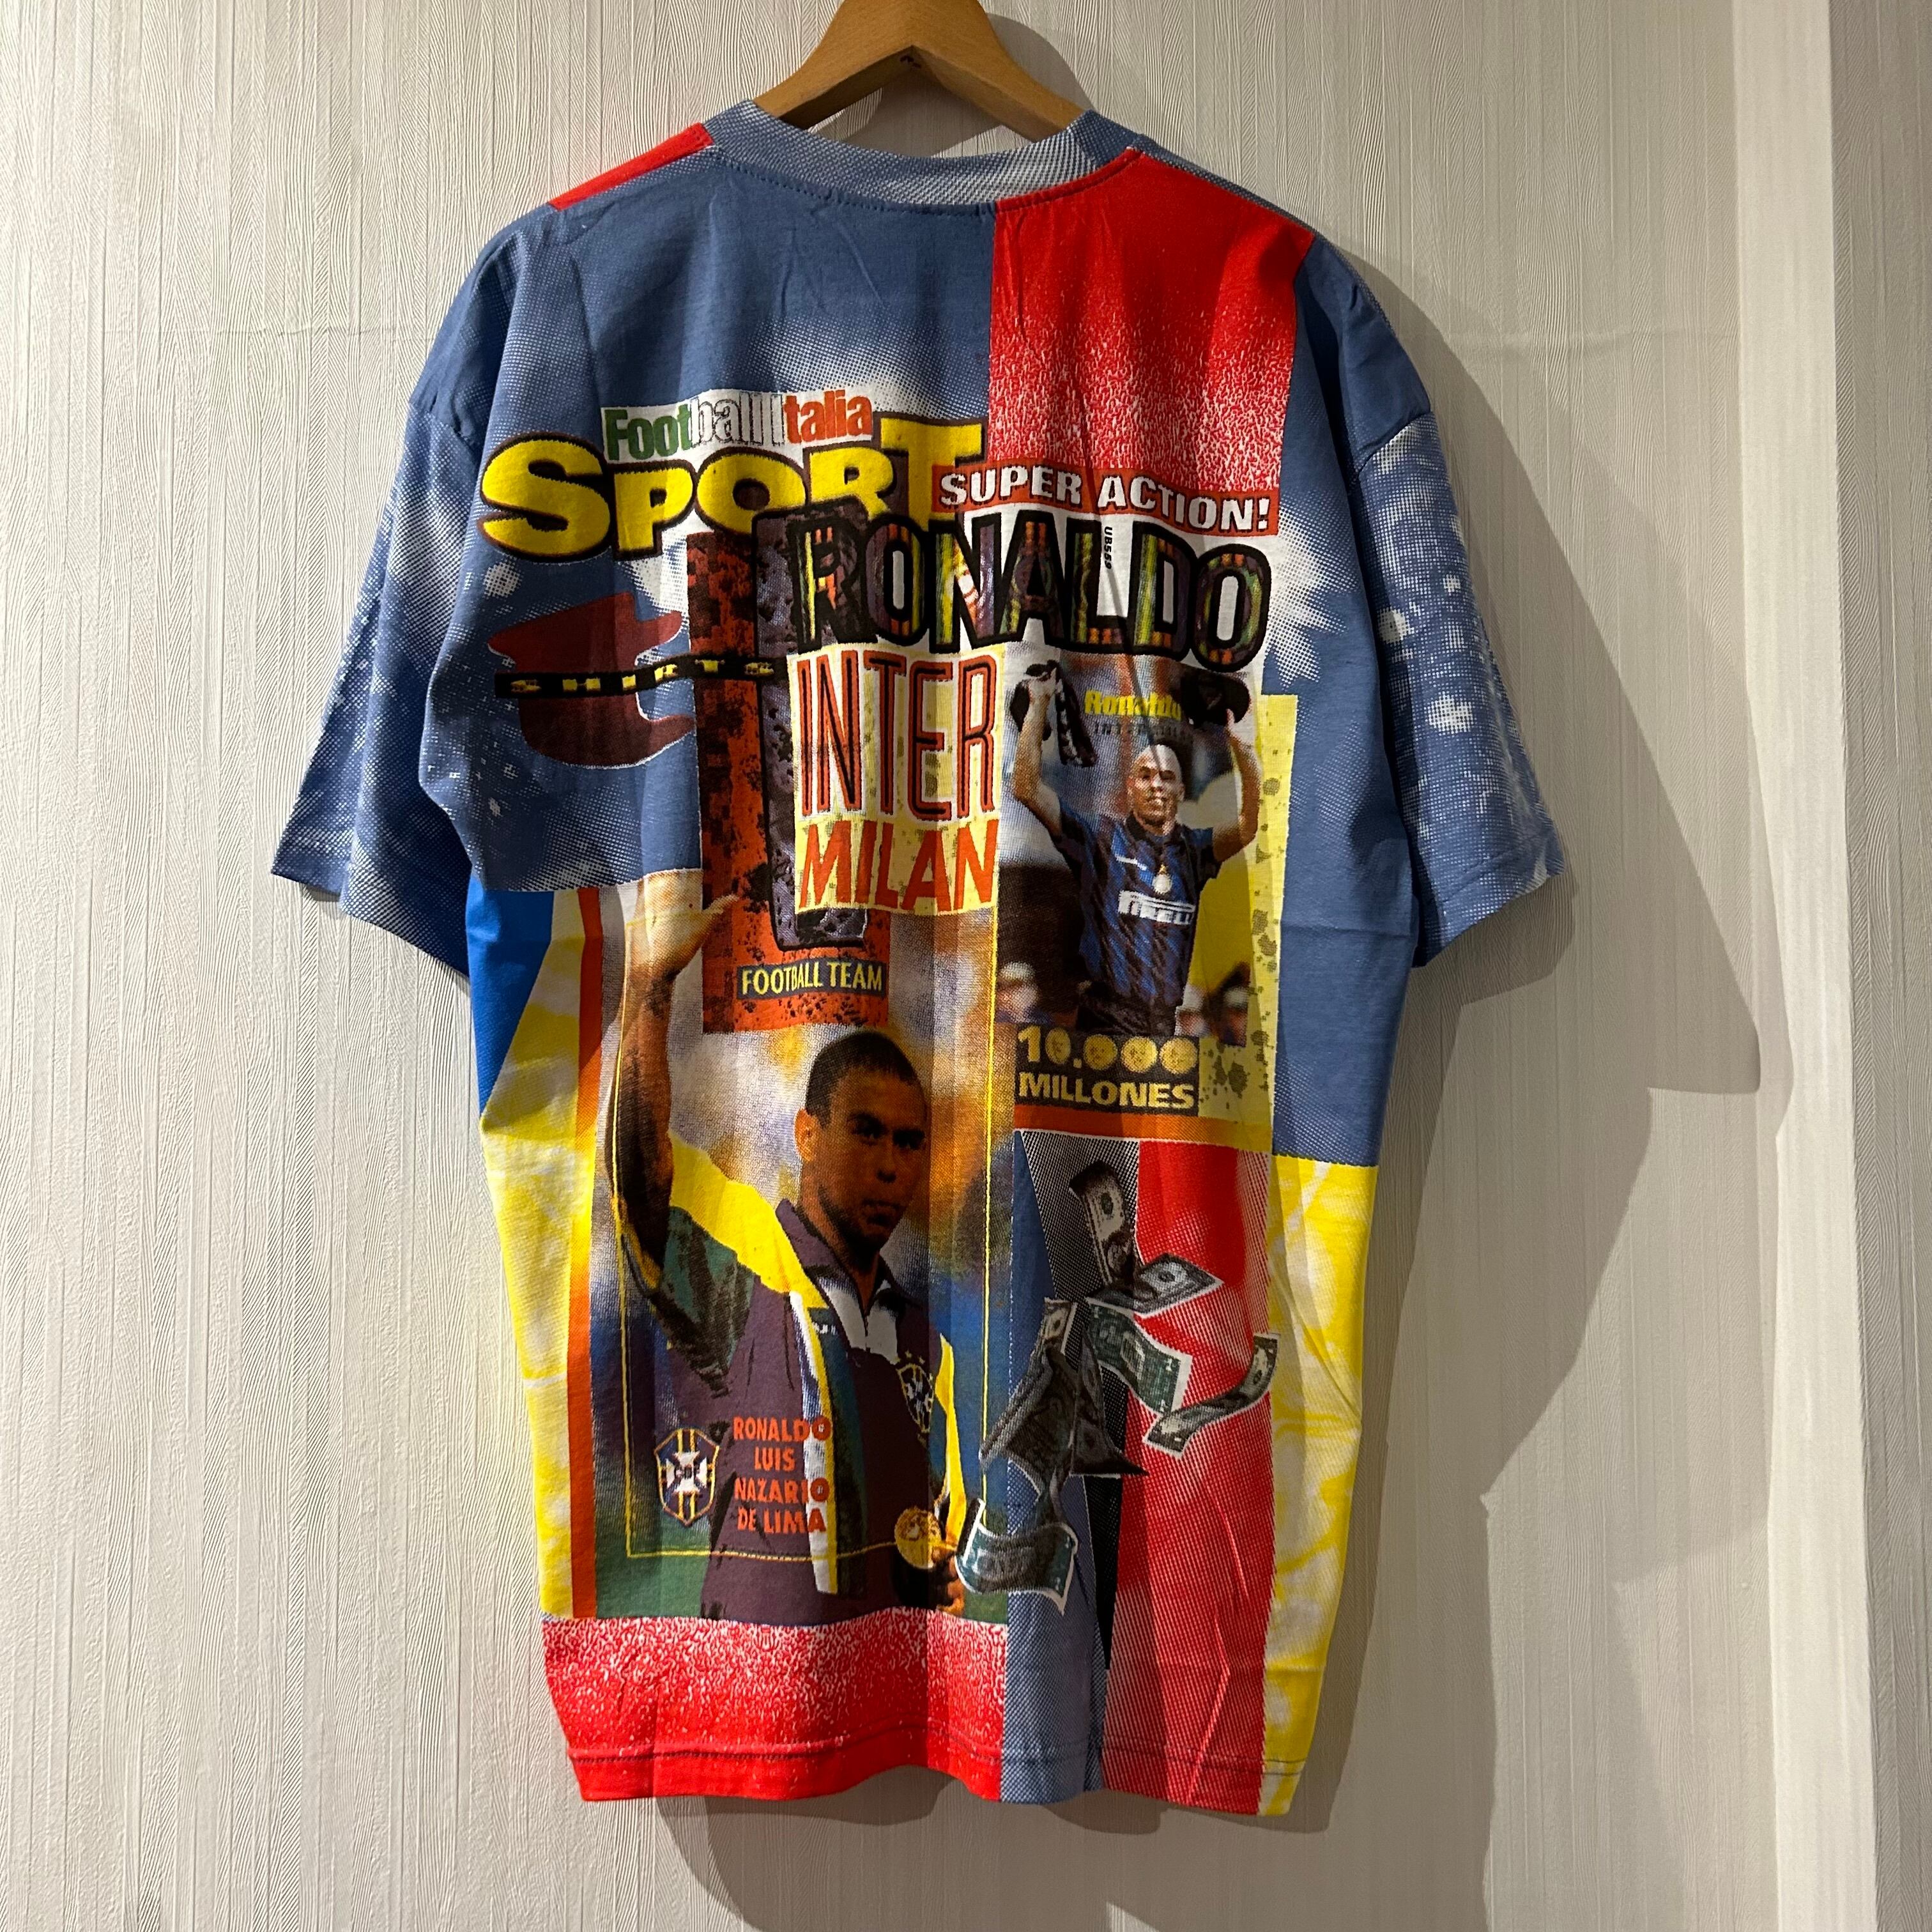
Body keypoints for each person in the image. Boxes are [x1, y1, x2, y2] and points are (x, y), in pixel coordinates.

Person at [604, 875, 965, 1625]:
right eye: (865, 1132)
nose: (890, 1165)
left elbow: (939, 1546)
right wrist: (651, 989)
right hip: (752, 1675)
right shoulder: (748, 1254)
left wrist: (943, 1581)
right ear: (806, 1134)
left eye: (908, 1142)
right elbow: (641, 1177)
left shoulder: (930, 1348)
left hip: (888, 1689)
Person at [1011, 670, 1261, 1036]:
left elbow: (1248, 825)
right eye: (1145, 776)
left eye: (1167, 778)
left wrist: (1244, 751)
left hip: (1164, 1025)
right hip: (1102, 1021)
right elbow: (1027, 789)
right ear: (1130, 786)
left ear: (1180, 791)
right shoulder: (1099, 836)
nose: (1156, 785)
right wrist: (1037, 706)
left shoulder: (1195, 849)